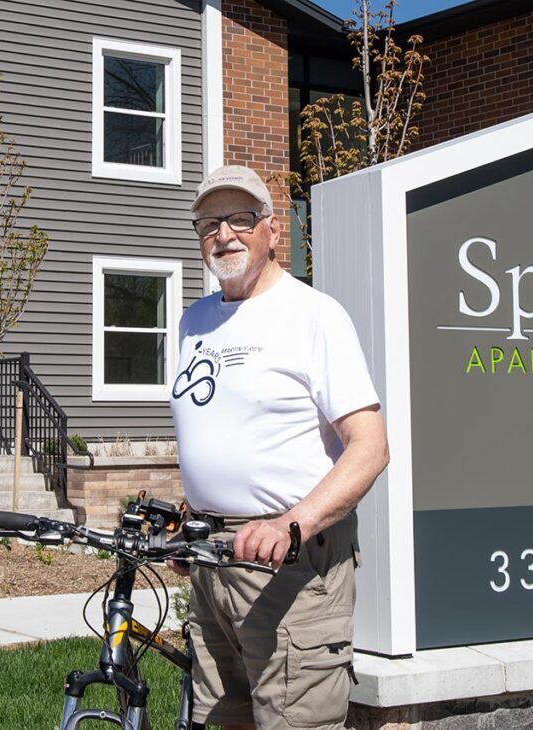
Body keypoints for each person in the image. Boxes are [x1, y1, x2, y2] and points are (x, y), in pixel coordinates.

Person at [169, 165, 389, 730]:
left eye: (240, 218)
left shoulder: (313, 315)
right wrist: (189, 518)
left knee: (295, 721)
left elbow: (369, 446)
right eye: (209, 222)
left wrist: (293, 524)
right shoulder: (193, 321)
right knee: (223, 721)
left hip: (290, 562)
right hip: (211, 558)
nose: (224, 234)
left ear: (271, 230)